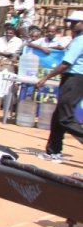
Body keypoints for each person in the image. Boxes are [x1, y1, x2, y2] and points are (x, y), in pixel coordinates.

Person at [35, 13, 83, 164]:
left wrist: (45, 77)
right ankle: (54, 151)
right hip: (73, 79)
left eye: (75, 22)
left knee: (65, 118)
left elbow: (66, 63)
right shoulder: (76, 40)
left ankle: (55, 151)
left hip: (74, 79)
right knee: (58, 117)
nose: (71, 25)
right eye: (70, 22)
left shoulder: (79, 41)